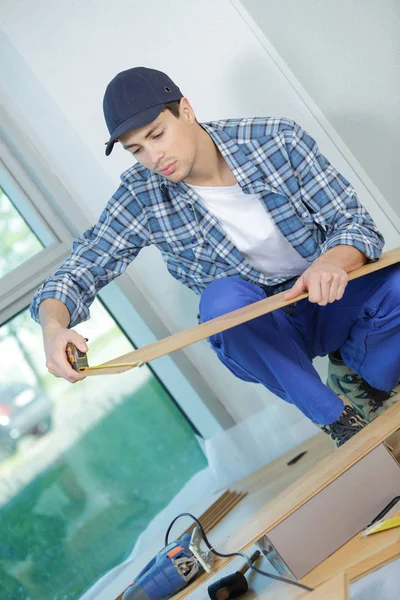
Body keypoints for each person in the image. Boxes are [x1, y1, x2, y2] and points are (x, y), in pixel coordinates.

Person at [30, 67, 400, 447]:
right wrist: (53, 329)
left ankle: (360, 374)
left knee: (396, 281)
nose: (154, 157)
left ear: (186, 111)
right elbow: (80, 269)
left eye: (157, 135)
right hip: (262, 331)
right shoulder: (141, 197)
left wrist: (331, 262)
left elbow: (354, 224)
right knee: (221, 301)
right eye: (136, 149)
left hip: (329, 297)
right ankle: (338, 420)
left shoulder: (276, 139)